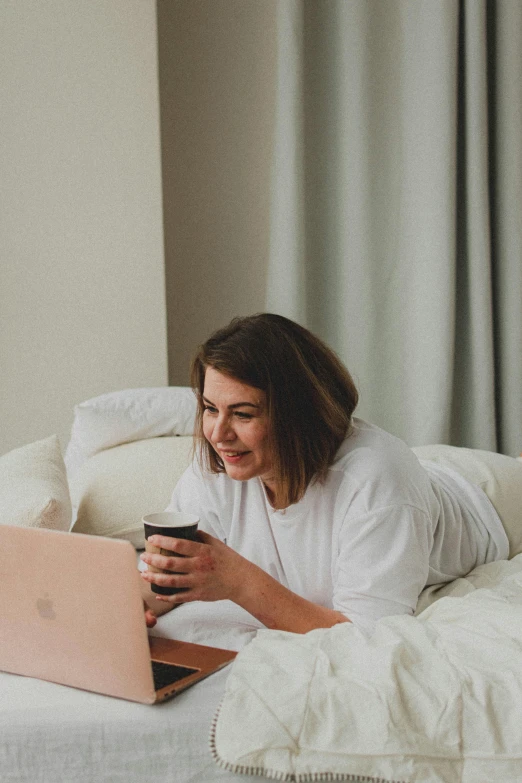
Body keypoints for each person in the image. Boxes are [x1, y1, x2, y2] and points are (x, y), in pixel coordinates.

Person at [140, 313, 514, 637]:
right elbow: (166, 576)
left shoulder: (377, 480)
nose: (218, 434)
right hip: (420, 480)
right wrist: (129, 609)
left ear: (296, 413)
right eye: (209, 409)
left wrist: (238, 581)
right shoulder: (223, 462)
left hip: (487, 496)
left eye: (243, 414)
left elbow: (367, 637)